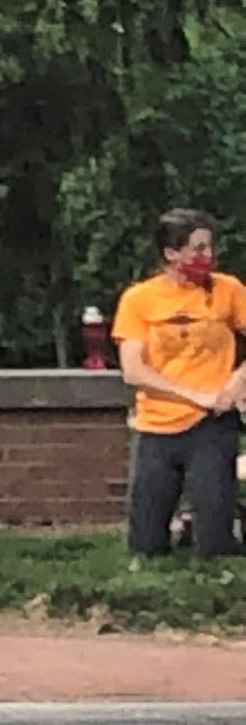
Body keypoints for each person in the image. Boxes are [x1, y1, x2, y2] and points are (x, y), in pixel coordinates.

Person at [112, 207, 246, 559]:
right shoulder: (139, 299)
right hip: (157, 425)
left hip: (212, 423)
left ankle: (219, 546)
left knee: (214, 541)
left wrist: (237, 381)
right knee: (145, 546)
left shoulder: (229, 290)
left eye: (209, 247)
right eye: (198, 249)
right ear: (171, 253)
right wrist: (192, 395)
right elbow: (133, 370)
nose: (207, 256)